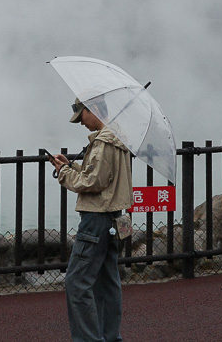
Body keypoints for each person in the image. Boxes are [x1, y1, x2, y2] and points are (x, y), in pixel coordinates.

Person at [48, 97, 133, 342]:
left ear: (92, 109)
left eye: (81, 116)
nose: (81, 123)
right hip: (115, 219)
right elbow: (103, 179)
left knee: (76, 283)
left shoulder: (104, 143)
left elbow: (92, 183)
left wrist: (63, 173)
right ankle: (110, 337)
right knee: (107, 283)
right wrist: (72, 166)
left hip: (96, 220)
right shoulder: (120, 139)